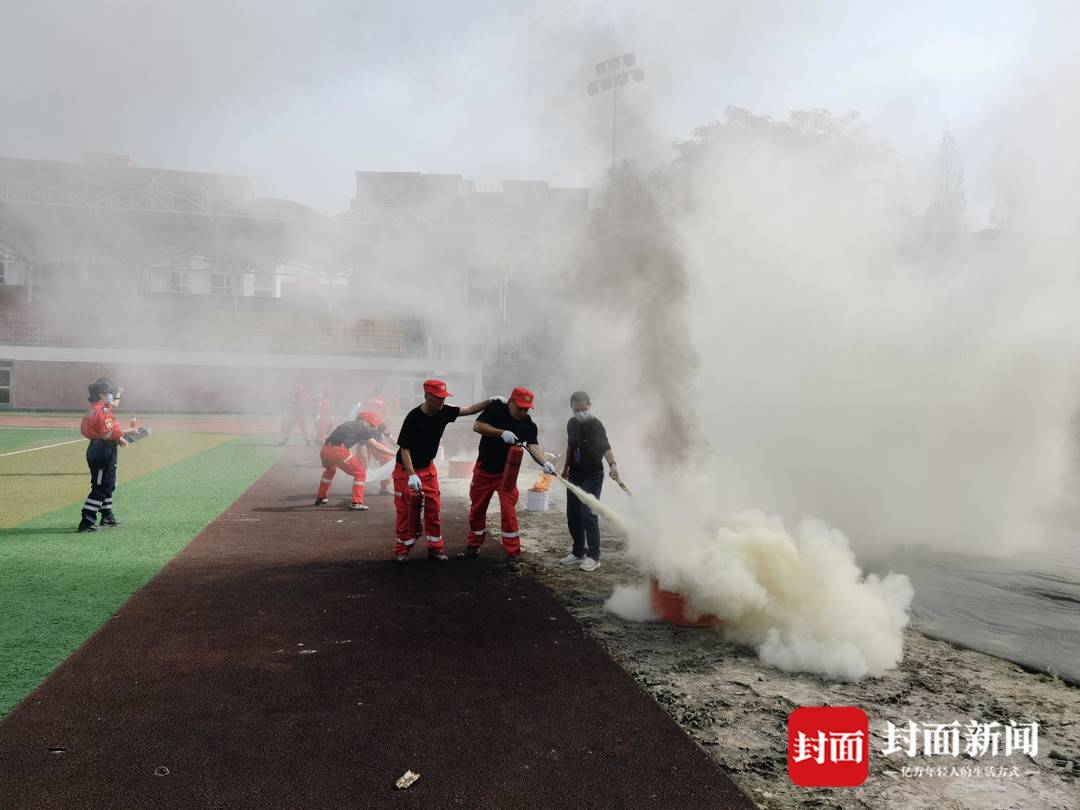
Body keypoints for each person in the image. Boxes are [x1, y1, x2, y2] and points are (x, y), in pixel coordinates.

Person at [392, 380, 491, 563]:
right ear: (427, 396)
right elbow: (404, 449)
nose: (442, 401)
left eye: (444, 397)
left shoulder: (444, 412)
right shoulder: (413, 417)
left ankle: (435, 548)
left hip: (428, 468)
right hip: (406, 469)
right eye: (438, 398)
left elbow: (469, 410)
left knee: (433, 509)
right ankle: (402, 549)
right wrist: (412, 474)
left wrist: (490, 401)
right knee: (405, 511)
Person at [459, 387, 555, 570]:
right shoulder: (496, 409)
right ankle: (473, 544)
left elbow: (533, 446)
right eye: (520, 408)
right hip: (485, 469)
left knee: (509, 514)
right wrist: (501, 432)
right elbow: (477, 426)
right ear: (510, 402)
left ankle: (512, 553)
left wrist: (544, 462)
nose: (523, 412)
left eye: (527, 409)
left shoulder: (528, 424)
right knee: (477, 509)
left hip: (507, 473)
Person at [559, 391, 620, 572]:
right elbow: (570, 446)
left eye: (583, 409)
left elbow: (605, 446)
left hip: (593, 475)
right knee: (573, 514)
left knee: (588, 514)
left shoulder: (595, 424)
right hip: (575, 474)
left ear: (590, 406)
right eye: (576, 410)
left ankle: (594, 556)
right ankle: (579, 552)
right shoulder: (572, 423)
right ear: (572, 409)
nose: (580, 413)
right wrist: (565, 468)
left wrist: (613, 464)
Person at [77, 378, 140, 533]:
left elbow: (104, 432)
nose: (112, 395)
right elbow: (108, 433)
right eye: (110, 393)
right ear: (102, 394)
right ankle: (87, 520)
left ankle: (107, 515)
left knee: (108, 484)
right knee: (101, 486)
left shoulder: (97, 408)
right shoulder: (102, 411)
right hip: (102, 451)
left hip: (102, 448)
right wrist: (126, 432)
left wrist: (117, 438)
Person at [314, 412, 395, 511]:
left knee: (330, 471)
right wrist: (393, 453)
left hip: (325, 450)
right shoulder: (363, 428)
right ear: (366, 421)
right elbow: (376, 446)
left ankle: (321, 497)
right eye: (371, 425)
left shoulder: (346, 424)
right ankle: (356, 503)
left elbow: (362, 449)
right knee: (360, 472)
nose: (370, 428)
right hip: (339, 451)